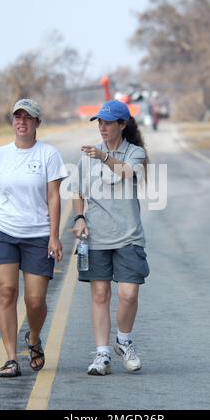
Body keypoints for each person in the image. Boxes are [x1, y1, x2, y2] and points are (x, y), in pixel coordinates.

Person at [0, 98, 66, 378]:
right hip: (3, 232)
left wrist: (54, 236)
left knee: (35, 301)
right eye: (17, 117)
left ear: (37, 123)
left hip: (37, 234)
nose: (21, 121)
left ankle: (33, 338)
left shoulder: (48, 155)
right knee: (6, 292)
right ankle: (11, 358)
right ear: (13, 122)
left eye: (27, 117)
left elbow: (53, 197)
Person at [72, 100, 150, 376]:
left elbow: (128, 173)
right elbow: (77, 192)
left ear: (122, 124)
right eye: (99, 122)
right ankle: (102, 354)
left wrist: (103, 157)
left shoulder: (135, 153)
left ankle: (124, 341)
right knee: (100, 294)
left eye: (108, 122)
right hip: (97, 236)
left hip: (129, 236)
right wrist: (79, 218)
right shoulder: (88, 156)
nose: (102, 127)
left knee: (128, 294)